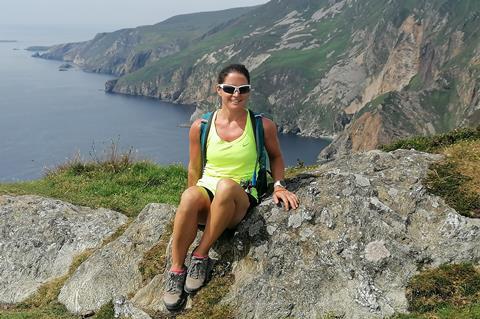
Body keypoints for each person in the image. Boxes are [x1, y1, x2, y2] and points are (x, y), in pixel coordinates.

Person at [163, 64, 299, 311]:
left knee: (226, 186)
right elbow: (194, 169)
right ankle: (176, 269)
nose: (236, 94)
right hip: (208, 192)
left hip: (240, 197)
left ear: (249, 91)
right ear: (219, 90)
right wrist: (190, 208)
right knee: (189, 195)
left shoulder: (262, 126)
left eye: (242, 89)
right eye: (229, 89)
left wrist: (279, 186)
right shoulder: (201, 127)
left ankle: (201, 255)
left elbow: (277, 157)